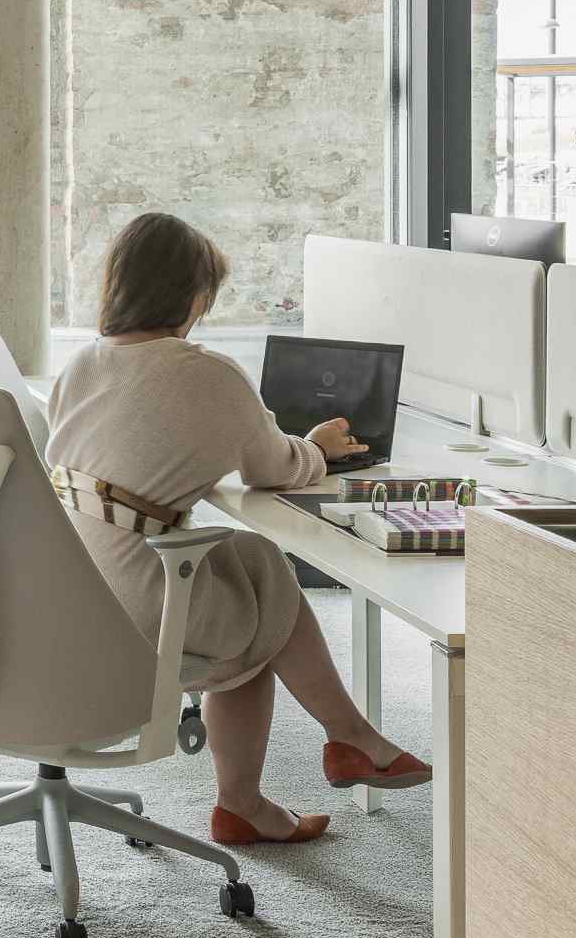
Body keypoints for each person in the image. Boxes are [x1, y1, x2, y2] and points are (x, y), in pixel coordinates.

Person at [46, 211, 431, 846]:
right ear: (195, 297)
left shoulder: (80, 365)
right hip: (140, 605)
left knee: (251, 569)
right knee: (261, 595)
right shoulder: (206, 372)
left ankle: (253, 801)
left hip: (72, 586)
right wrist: (317, 445)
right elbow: (272, 468)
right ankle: (343, 740)